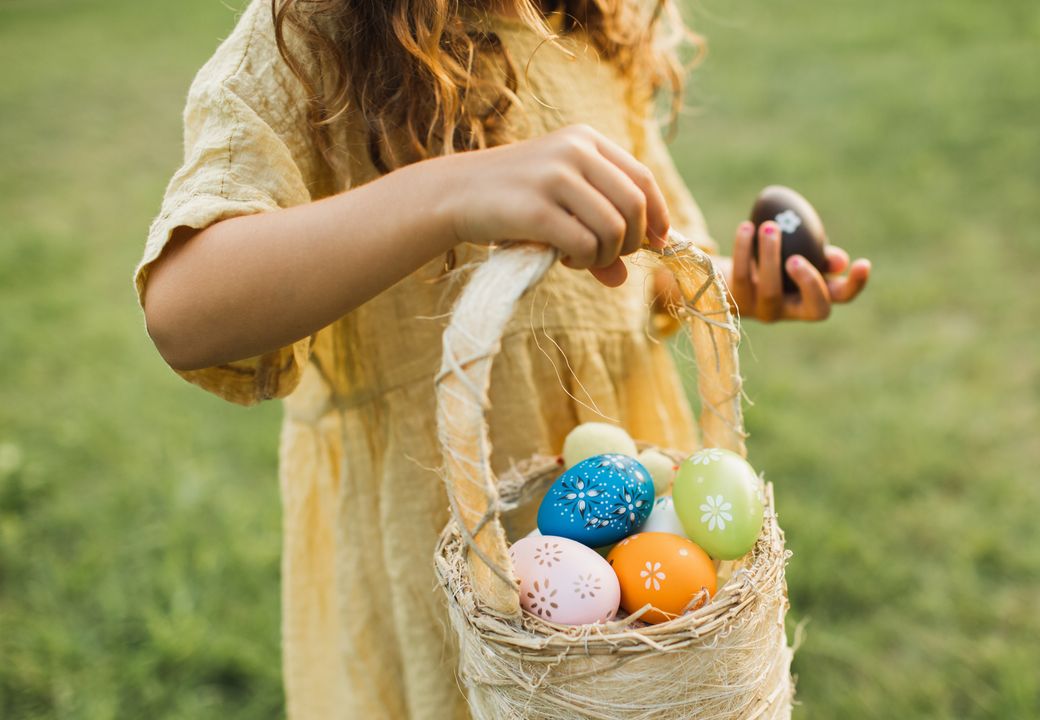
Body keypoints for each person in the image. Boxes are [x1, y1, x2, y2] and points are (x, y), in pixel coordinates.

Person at [135, 1, 871, 717]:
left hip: (627, 523)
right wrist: (451, 193)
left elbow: (644, 266)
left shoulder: (592, 23)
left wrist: (741, 286)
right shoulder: (312, 32)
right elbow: (185, 311)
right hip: (435, 542)